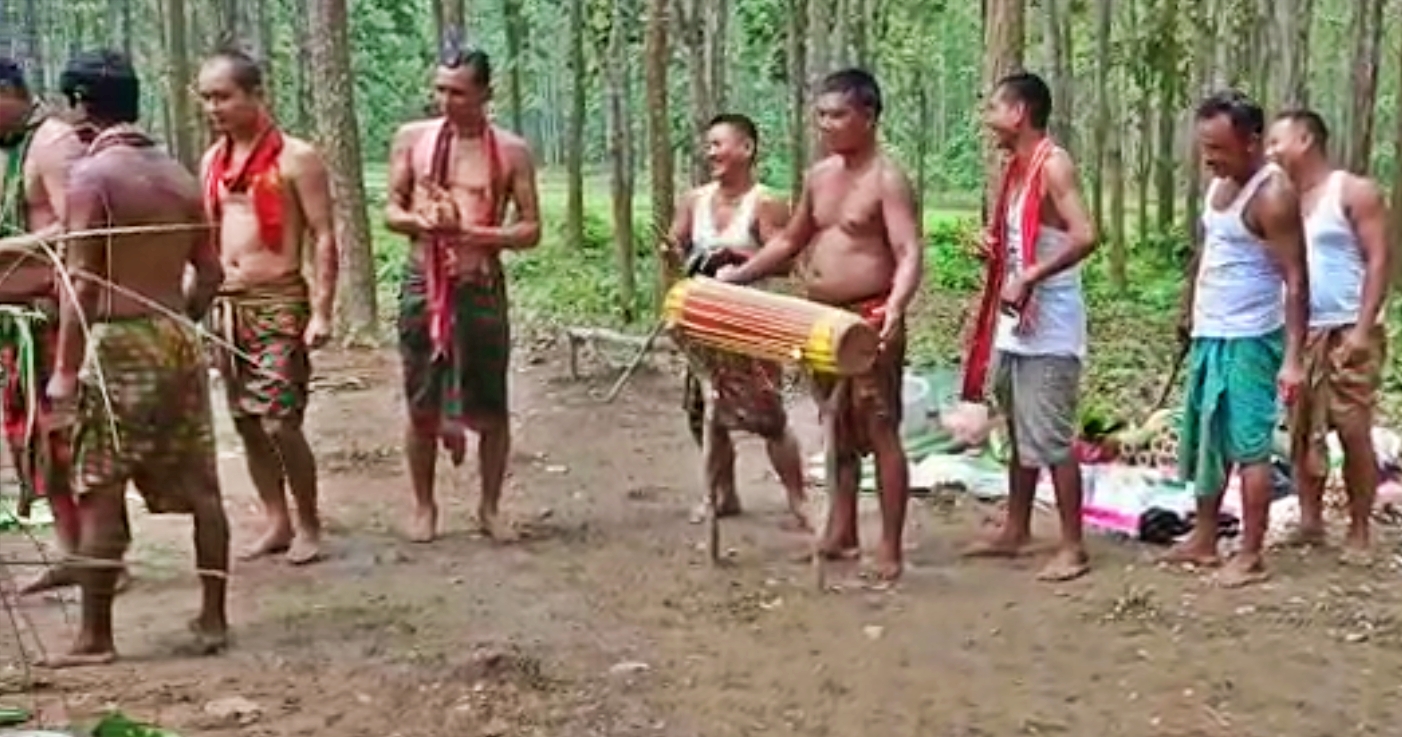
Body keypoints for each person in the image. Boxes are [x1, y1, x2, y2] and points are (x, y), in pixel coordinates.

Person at [40, 49, 227, 666]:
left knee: (99, 486)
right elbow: (211, 271)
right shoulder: (177, 174)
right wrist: (181, 321)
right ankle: (213, 617)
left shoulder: (93, 178)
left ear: (82, 106)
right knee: (203, 487)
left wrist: (65, 374)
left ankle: (96, 637)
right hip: (176, 338)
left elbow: (82, 284)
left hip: (119, 344)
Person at [718, 68, 922, 581]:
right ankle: (842, 530)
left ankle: (891, 546)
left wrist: (896, 306)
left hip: (868, 316)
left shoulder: (887, 179)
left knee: (879, 427)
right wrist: (738, 276)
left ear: (869, 117)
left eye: (838, 115)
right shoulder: (819, 177)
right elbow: (789, 241)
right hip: (821, 320)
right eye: (822, 115)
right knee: (835, 423)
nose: (826, 124)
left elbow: (908, 250)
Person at [384, 47, 540, 543]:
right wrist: (423, 221)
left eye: (458, 92)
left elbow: (531, 228)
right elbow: (391, 210)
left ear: (485, 94)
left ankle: (489, 507)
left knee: (491, 405)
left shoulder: (511, 151)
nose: (445, 100)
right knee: (420, 401)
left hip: (480, 285)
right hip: (422, 282)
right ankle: (424, 506)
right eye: (440, 89)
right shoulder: (413, 139)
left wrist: (473, 234)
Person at [198, 48, 338, 565]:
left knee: (280, 419)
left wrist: (322, 310)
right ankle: (275, 519)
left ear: (256, 94)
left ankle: (310, 522)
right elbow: (204, 236)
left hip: (278, 302)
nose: (214, 108)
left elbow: (324, 236)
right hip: (226, 306)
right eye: (207, 98)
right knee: (246, 420)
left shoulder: (295, 158)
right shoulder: (212, 161)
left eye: (224, 96)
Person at [1163, 90, 1308, 587]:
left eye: (1219, 148)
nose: (1209, 158)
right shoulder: (1219, 185)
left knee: (1249, 448)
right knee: (1208, 439)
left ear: (1250, 143)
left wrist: (1292, 358)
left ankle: (1250, 553)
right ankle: (1204, 538)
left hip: (1250, 338)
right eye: (1205, 146)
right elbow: (1210, 250)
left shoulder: (1273, 196)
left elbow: (1296, 279)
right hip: (1211, 331)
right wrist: (1188, 308)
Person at [959, 72, 1097, 582]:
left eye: (994, 108)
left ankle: (1073, 546)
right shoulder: (1015, 168)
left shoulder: (1053, 164)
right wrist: (998, 253)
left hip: (1051, 322)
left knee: (1052, 436)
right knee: (1018, 427)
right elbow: (1029, 238)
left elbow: (1086, 235)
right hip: (1016, 321)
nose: (987, 119)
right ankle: (1016, 528)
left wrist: (1031, 275)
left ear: (1019, 112)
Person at [665, 113, 808, 530]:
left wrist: (736, 259)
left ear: (746, 149)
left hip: (751, 324)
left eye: (719, 144)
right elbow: (676, 245)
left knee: (769, 416)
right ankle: (720, 494)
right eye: (708, 145)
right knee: (704, 410)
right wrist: (672, 253)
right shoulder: (694, 200)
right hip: (704, 324)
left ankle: (798, 499)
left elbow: (785, 263)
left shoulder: (765, 202)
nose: (711, 152)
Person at [1266, 109, 1389, 564]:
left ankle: (1359, 530)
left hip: (1345, 330)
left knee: (1353, 430)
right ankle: (1311, 520)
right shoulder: (1282, 198)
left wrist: (1362, 329)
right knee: (1301, 430)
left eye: (1277, 141)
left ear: (1305, 138)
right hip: (1300, 332)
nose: (1271, 151)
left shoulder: (1354, 192)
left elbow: (1380, 261)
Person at [0, 57, 85, 574]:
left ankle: (101, 558)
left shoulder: (54, 143)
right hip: (14, 327)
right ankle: (72, 551)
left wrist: (7, 245)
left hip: (52, 320)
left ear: (8, 92)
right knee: (33, 444)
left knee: (67, 438)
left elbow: (78, 230)